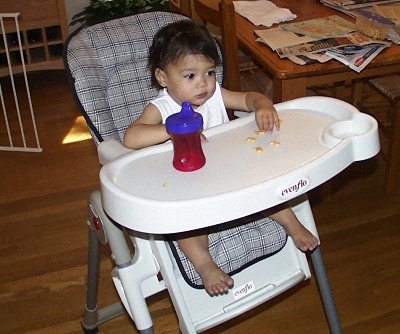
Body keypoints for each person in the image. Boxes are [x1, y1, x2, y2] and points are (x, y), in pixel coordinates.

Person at [123, 20, 319, 296]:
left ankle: (290, 222)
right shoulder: (163, 108)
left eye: (210, 72)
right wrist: (169, 129)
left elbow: (248, 99)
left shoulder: (214, 97)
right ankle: (205, 264)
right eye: (190, 76)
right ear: (163, 78)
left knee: (264, 188)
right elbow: (131, 138)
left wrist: (262, 104)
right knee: (185, 226)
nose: (203, 83)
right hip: (189, 186)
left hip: (231, 174)